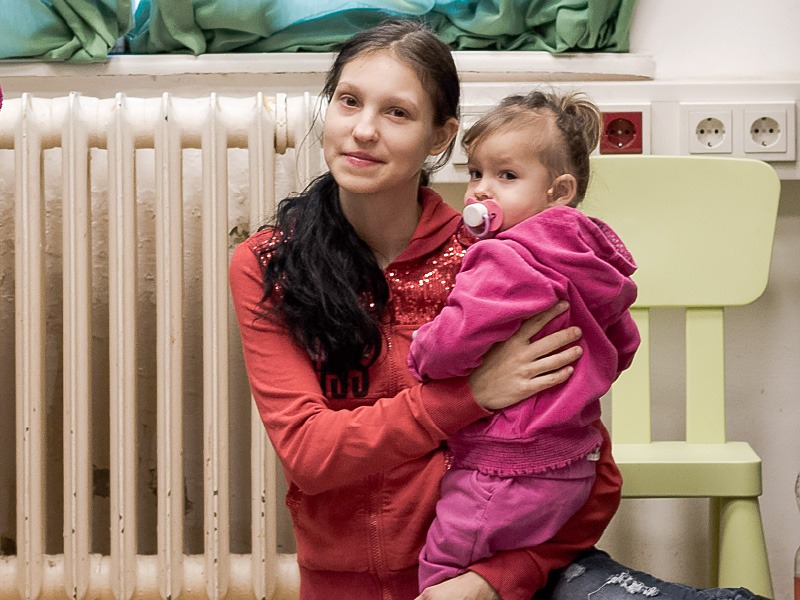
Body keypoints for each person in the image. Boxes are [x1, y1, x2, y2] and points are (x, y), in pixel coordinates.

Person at [230, 17, 768, 600]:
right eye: (349, 101)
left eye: (398, 113)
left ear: (441, 138)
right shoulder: (268, 265)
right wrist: (473, 395)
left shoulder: (505, 266)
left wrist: (494, 581)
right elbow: (311, 454)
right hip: (346, 585)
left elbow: (587, 469)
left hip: (497, 577)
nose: (362, 130)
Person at [407, 90, 640, 591]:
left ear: (558, 191)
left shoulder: (505, 257)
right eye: (475, 173)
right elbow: (623, 344)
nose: (480, 192)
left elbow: (451, 346)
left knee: (446, 574)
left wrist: (421, 351)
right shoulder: (590, 252)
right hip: (575, 466)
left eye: (506, 177)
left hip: (505, 470)